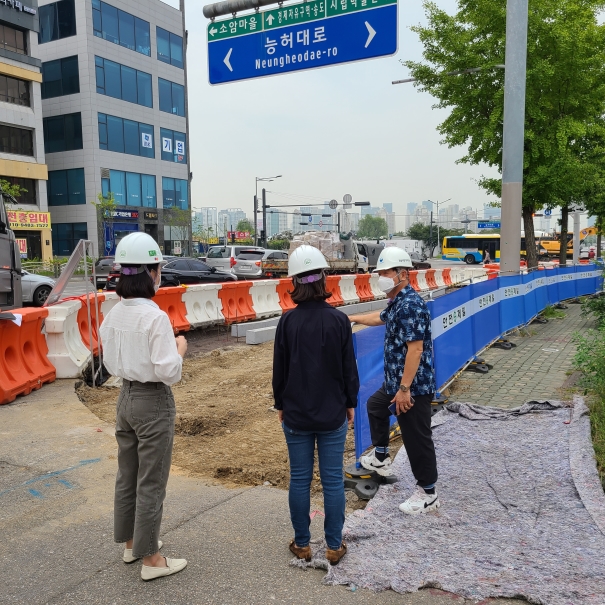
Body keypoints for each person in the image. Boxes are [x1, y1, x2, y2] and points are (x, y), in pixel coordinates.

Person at [99, 232, 188, 581]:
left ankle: (132, 543)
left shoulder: (114, 313)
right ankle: (151, 559)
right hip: (152, 401)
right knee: (151, 480)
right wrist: (180, 348)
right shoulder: (155, 317)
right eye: (157, 268)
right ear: (152, 273)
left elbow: (108, 363)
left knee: (128, 475)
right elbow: (169, 372)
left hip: (125, 398)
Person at [273, 245, 359, 566]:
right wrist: (350, 403)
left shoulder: (287, 323)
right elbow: (349, 370)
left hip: (295, 414)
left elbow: (279, 371)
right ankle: (335, 546)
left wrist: (280, 403)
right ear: (324, 278)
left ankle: (303, 544)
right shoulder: (339, 322)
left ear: (294, 283)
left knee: (300, 479)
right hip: (333, 413)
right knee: (333, 480)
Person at [349, 247, 439, 515]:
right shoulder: (398, 301)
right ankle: (380, 457)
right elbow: (380, 317)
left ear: (402, 274)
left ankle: (428, 493)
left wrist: (404, 389)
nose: (381, 277)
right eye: (379, 273)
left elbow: (416, 349)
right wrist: (351, 318)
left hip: (412, 387)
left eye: (385, 272)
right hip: (395, 383)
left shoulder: (410, 305)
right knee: (376, 406)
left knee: (416, 438)